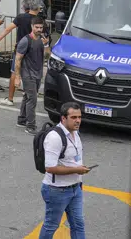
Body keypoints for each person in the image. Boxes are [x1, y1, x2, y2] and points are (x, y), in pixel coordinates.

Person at [39, 102, 90, 239]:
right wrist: (76, 170)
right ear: (63, 118)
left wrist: (78, 175)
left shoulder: (75, 133)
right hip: (57, 190)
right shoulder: (54, 138)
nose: (78, 120)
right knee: (51, 226)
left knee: (78, 224)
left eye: (79, 117)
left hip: (75, 188)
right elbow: (50, 168)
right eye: (73, 117)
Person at [0, 0, 42, 106]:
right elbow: (44, 38)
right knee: (31, 73)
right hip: (33, 51)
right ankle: (29, 96)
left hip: (20, 49)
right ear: (38, 9)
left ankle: (10, 98)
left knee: (14, 72)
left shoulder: (21, 17)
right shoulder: (39, 20)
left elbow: (8, 29)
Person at [17, 16, 49, 134]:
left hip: (38, 74)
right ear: (32, 27)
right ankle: (30, 126)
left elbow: (47, 57)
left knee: (27, 97)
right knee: (32, 99)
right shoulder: (25, 41)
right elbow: (18, 59)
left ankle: (22, 119)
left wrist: (46, 45)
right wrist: (17, 77)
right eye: (37, 27)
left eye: (41, 27)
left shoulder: (42, 40)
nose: (39, 29)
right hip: (28, 74)